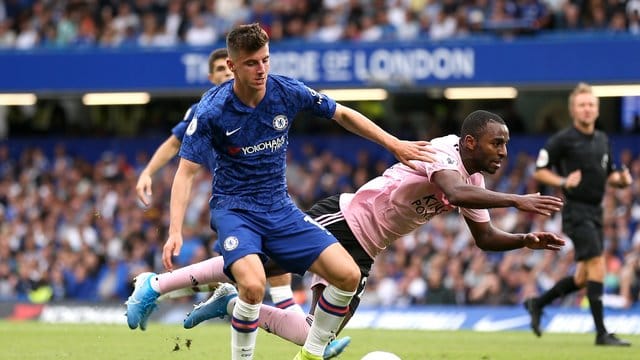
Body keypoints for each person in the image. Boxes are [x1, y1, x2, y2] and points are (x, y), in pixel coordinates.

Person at [130, 110, 566, 356]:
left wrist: (524, 240)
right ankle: (158, 284)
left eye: (507, 144)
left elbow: (486, 239)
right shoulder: (444, 153)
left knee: (318, 334)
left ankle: (233, 307)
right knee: (257, 267)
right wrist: (519, 200)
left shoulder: (474, 183)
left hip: (367, 249)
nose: (504, 153)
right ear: (470, 142)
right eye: (497, 144)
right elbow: (450, 189)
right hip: (345, 219)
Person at [130, 23, 434, 360]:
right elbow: (185, 173)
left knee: (348, 275)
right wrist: (175, 231)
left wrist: (395, 144)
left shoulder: (286, 91)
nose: (261, 70)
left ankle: (310, 354)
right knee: (254, 285)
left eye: (265, 60)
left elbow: (343, 114)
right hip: (235, 209)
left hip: (280, 208)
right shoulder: (212, 111)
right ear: (232, 67)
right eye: (251, 63)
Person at [130, 47, 303, 316]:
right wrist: (147, 172)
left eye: (228, 67)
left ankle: (162, 289)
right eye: (219, 70)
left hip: (265, 199)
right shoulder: (205, 110)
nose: (226, 73)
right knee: (257, 269)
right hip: (233, 203)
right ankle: (307, 334)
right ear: (212, 77)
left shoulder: (260, 99)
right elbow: (174, 143)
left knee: (262, 269)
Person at [524, 82, 633, 346]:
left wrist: (622, 179)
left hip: (596, 212)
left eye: (591, 105)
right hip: (576, 211)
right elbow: (539, 170)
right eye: (582, 105)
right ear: (574, 110)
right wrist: (562, 182)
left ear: (596, 110)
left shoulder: (602, 140)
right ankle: (601, 333)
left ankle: (538, 303)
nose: (587, 109)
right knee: (598, 263)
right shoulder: (562, 140)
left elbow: (611, 175)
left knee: (584, 276)